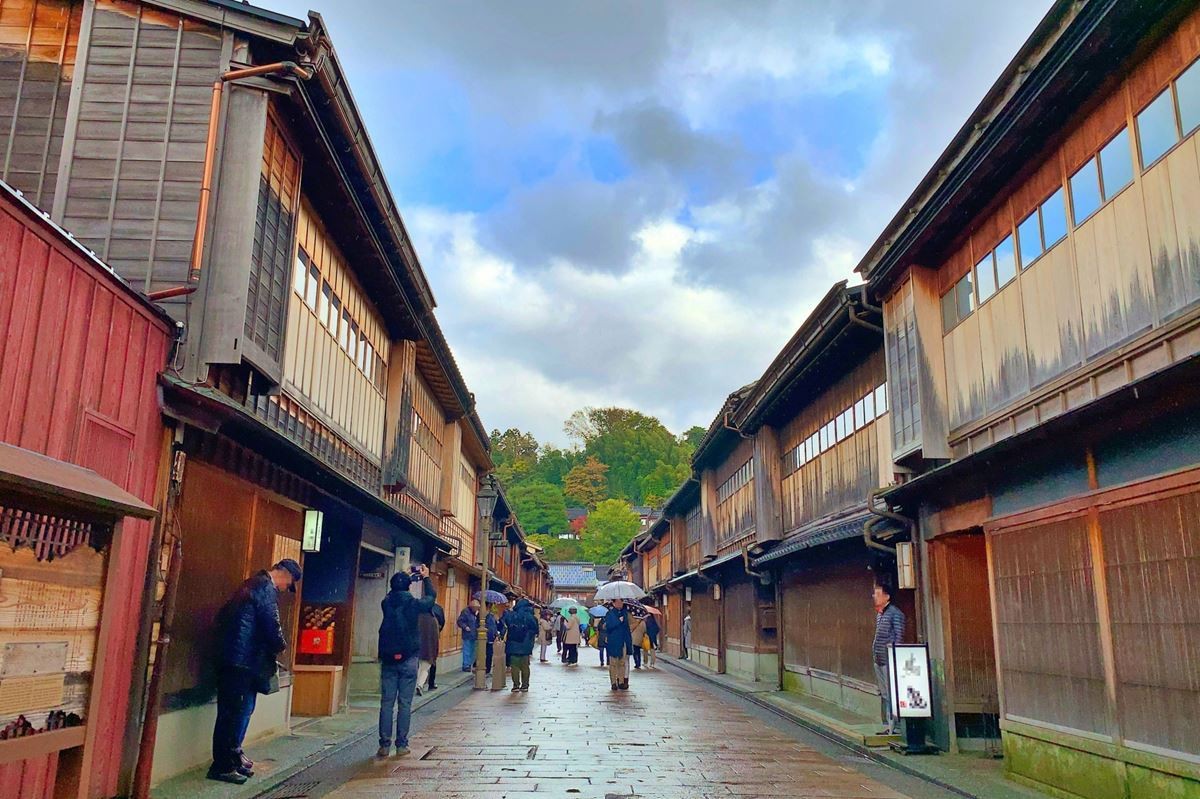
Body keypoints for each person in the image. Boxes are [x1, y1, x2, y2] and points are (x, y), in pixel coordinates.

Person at [208, 559, 300, 784]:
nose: (286, 589)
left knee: (238, 711)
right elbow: (271, 623)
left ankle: (232, 758)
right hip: (241, 661)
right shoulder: (264, 587)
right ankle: (223, 765)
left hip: (239, 659)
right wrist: (280, 645)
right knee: (232, 714)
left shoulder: (252, 585)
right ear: (285, 575)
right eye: (289, 584)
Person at [377, 564, 435, 758]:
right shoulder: (413, 604)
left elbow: (391, 593)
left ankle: (384, 745)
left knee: (386, 702)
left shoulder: (386, 602)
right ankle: (401, 744)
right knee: (404, 703)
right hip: (409, 656)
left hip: (388, 657)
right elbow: (430, 599)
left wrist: (403, 576)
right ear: (409, 586)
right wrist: (426, 578)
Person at [872, 580, 906, 735]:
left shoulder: (895, 614)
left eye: (878, 594)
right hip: (878, 659)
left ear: (887, 596)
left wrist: (894, 653)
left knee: (892, 693)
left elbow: (899, 637)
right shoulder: (880, 614)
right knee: (885, 693)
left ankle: (896, 726)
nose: (875, 596)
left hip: (889, 660)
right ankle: (889, 725)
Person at [504, 599, 538, 691]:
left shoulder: (511, 615)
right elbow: (536, 630)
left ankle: (515, 685)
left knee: (514, 666)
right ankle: (525, 685)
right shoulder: (531, 617)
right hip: (526, 645)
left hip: (513, 644)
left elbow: (505, 623)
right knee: (525, 666)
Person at [604, 600, 634, 690]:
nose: (619, 604)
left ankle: (621, 681)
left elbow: (628, 627)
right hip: (613, 641)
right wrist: (618, 621)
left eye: (621, 602)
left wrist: (629, 641)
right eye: (617, 602)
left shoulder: (625, 613)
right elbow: (608, 626)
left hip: (624, 640)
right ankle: (613, 682)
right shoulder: (610, 614)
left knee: (622, 662)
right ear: (613, 604)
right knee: (613, 663)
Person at [416, 600, 444, 694]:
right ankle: (420, 684)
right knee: (425, 668)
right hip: (429, 648)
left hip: (416, 647)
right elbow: (435, 636)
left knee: (418, 666)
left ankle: (417, 684)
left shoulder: (417, 617)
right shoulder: (433, 620)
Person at [457, 599, 479, 672]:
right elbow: (459, 621)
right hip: (467, 634)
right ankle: (466, 665)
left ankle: (469, 664)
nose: (476, 609)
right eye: (476, 608)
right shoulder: (465, 612)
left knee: (472, 650)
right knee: (467, 650)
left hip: (474, 634)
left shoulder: (474, 613)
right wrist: (465, 627)